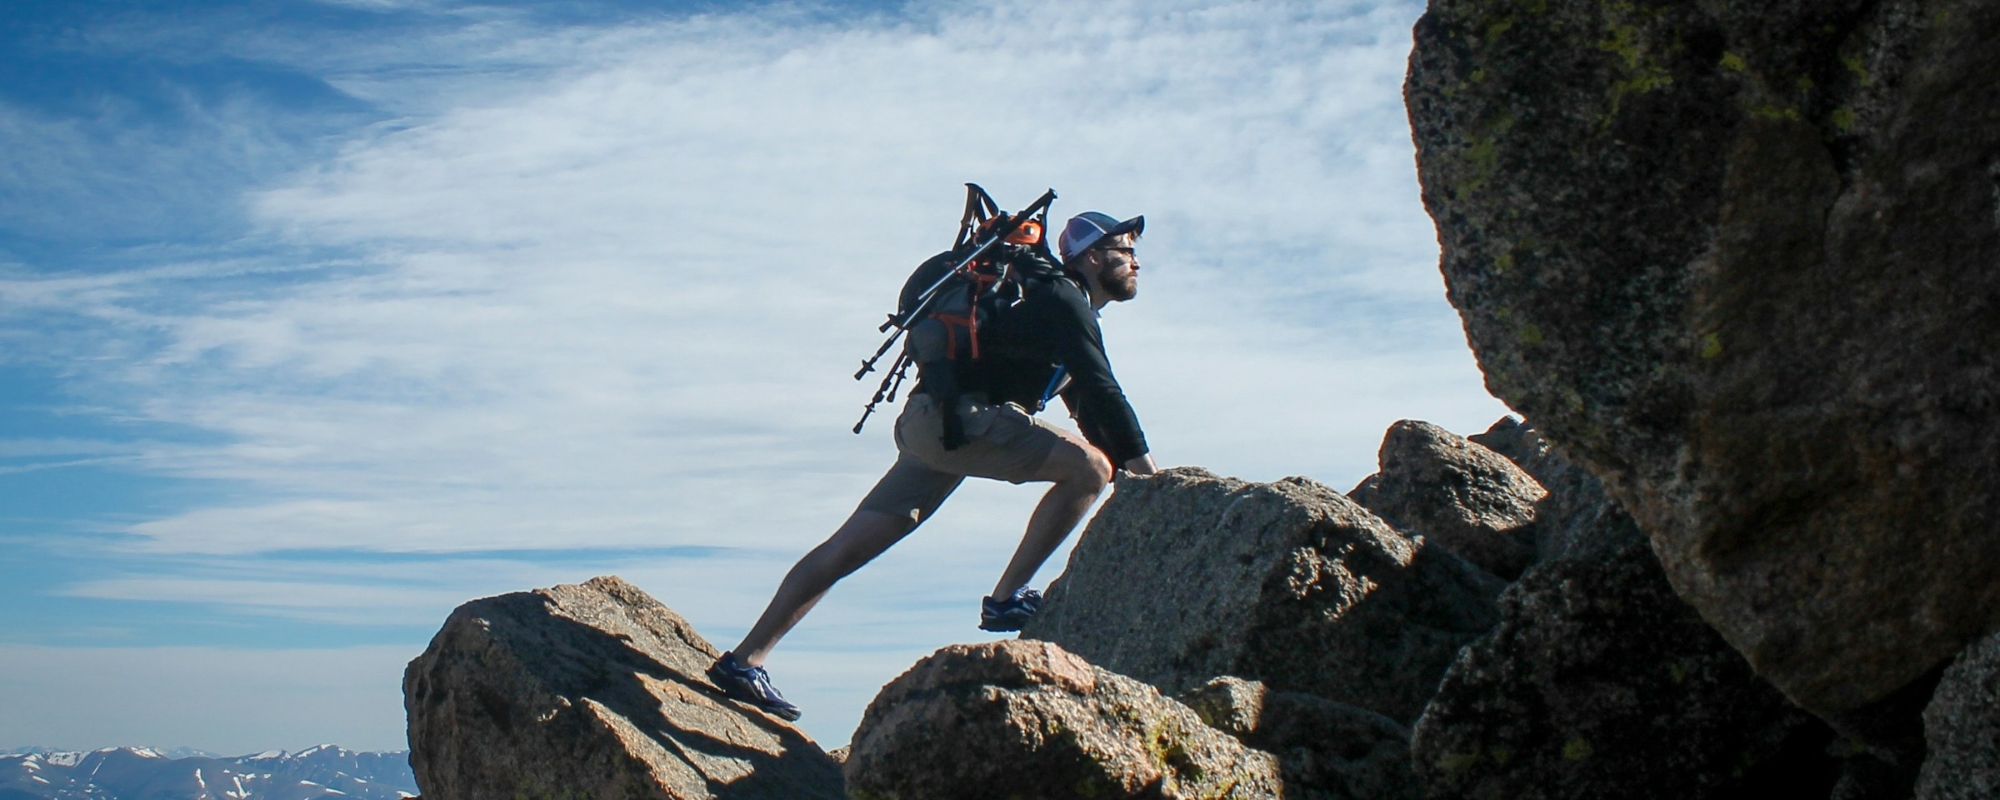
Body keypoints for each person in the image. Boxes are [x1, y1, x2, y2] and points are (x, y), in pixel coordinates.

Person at [707, 210, 1160, 721]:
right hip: (957, 422)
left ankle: (745, 660)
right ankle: (1006, 599)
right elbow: (1104, 390)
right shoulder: (1062, 299)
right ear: (1093, 257)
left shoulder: (1053, 303)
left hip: (934, 423)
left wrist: (1136, 474)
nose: (1137, 262)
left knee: (846, 547)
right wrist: (1153, 482)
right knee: (1089, 470)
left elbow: (1091, 407)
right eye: (1127, 251)